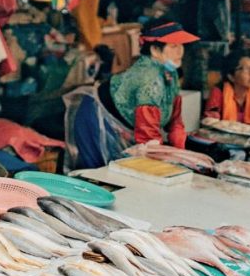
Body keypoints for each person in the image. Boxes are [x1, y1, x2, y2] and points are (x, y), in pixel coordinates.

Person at [73, 19, 199, 168]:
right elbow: (148, 139)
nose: (180, 51)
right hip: (95, 117)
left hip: (126, 123)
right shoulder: (149, 80)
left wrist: (181, 155)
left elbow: (175, 121)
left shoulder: (170, 72)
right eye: (173, 46)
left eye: (181, 45)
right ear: (155, 50)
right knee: (98, 174)